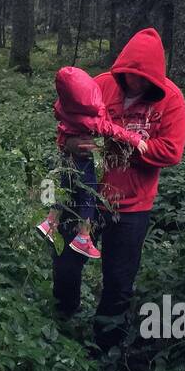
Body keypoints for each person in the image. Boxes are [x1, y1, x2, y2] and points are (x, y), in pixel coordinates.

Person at [51, 28, 185, 358]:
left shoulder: (171, 99)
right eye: (129, 76)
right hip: (85, 198)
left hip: (132, 206)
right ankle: (61, 324)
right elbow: (68, 125)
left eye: (143, 79)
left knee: (118, 281)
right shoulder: (101, 84)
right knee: (66, 263)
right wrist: (68, 144)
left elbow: (171, 150)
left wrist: (124, 143)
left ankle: (106, 348)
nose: (134, 84)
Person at [36, 66, 146, 259]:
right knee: (89, 195)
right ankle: (83, 237)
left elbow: (63, 129)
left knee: (65, 190)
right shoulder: (86, 119)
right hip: (82, 160)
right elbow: (107, 127)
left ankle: (49, 223)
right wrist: (133, 138)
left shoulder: (65, 108)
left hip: (66, 158)